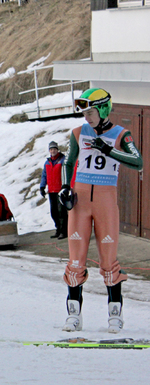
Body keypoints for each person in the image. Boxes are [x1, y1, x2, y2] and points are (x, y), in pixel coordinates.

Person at [59, 88, 142, 334]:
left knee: (108, 262)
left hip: (106, 200)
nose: (88, 117)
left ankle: (115, 316)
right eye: (85, 113)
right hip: (80, 201)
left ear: (104, 109)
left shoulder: (121, 134)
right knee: (75, 260)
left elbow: (138, 162)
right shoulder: (78, 133)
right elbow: (68, 161)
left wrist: (108, 150)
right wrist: (65, 187)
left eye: (92, 112)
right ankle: (74, 315)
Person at [39, 141, 68, 239]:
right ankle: (58, 229)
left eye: (54, 149)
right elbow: (44, 175)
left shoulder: (62, 160)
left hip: (60, 190)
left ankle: (64, 231)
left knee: (62, 212)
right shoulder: (47, 162)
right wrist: (42, 187)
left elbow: (67, 173)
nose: (53, 151)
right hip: (51, 191)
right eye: (51, 149)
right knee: (54, 212)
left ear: (57, 149)